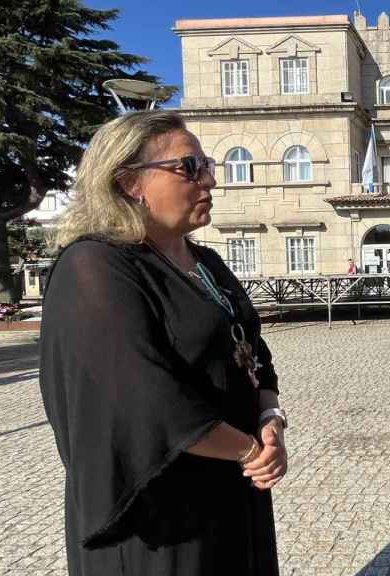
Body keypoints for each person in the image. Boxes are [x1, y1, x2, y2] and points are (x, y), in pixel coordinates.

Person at [39, 110, 288, 575]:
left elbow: (254, 352)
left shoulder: (207, 261)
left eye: (207, 165)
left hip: (234, 489)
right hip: (159, 511)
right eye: (189, 167)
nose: (210, 179)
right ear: (130, 182)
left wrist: (270, 420)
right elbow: (144, 396)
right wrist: (251, 451)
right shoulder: (95, 265)